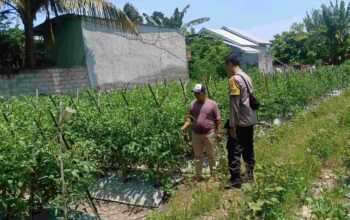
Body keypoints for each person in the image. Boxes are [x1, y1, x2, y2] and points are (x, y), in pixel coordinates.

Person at [224, 55, 257, 188]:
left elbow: (234, 105)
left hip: (240, 122)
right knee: (248, 148)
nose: (227, 70)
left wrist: (232, 125)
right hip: (250, 119)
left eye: (226, 67)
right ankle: (250, 175)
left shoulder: (234, 79)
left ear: (230, 64)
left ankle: (235, 180)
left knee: (233, 150)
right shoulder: (246, 76)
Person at [181, 84, 222, 182]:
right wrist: (186, 125)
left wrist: (219, 132)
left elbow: (218, 119)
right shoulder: (193, 104)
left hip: (209, 134)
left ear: (204, 93)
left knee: (211, 155)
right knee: (197, 155)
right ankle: (198, 176)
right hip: (196, 134)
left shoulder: (212, 104)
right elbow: (190, 117)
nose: (196, 95)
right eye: (195, 94)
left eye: (198, 94)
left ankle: (213, 176)